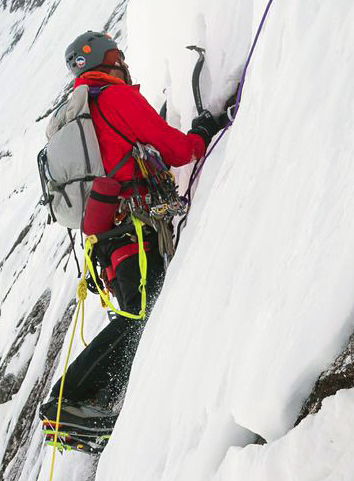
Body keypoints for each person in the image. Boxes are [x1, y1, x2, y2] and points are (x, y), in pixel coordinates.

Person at [40, 31, 227, 441]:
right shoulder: (116, 99)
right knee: (144, 314)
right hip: (135, 230)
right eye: (119, 57)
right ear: (111, 61)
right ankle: (67, 400)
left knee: (140, 313)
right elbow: (175, 149)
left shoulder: (76, 117)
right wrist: (202, 132)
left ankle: (94, 405)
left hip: (111, 240)